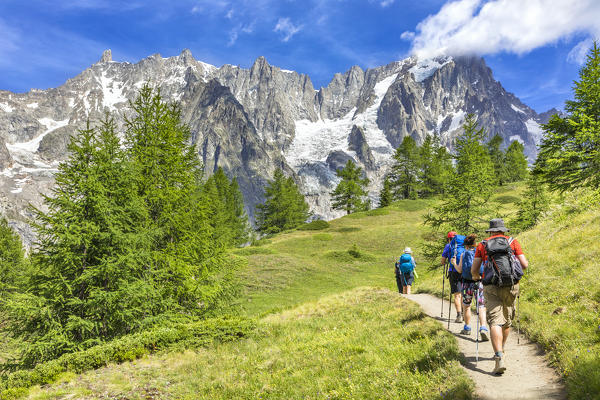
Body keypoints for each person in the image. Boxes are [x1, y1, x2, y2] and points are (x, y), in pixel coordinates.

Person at [472, 218, 528, 375]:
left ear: (491, 231)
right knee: (506, 319)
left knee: (494, 321)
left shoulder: (482, 245)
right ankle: (502, 348)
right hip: (511, 285)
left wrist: (476, 277)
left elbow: (474, 269)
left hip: (491, 286)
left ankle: (499, 357)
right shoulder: (513, 242)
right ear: (503, 230)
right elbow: (525, 264)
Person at [454, 234, 489, 341]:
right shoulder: (479, 253)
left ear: (466, 245)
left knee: (466, 305)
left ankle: (467, 327)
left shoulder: (463, 254)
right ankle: (483, 327)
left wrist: (454, 263)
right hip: (479, 282)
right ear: (475, 244)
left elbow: (459, 270)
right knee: (481, 306)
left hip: (467, 284)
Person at [441, 231, 463, 322]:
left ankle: (459, 316)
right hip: (463, 271)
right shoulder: (463, 246)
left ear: (449, 238)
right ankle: (465, 313)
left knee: (457, 295)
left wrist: (446, 261)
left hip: (453, 271)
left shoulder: (448, 246)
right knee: (463, 294)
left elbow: (442, 261)